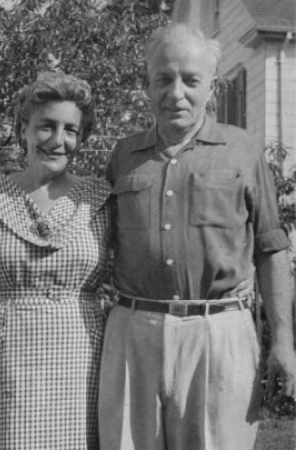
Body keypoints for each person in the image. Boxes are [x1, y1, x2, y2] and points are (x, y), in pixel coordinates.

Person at [98, 24, 296, 450]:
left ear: (213, 87)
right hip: (135, 332)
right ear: (146, 85)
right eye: (164, 78)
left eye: (191, 80)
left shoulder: (244, 150)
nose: (176, 92)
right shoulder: (122, 157)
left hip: (218, 332)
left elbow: (271, 249)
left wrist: (283, 341)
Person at [0, 71, 112, 450]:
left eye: (71, 130)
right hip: (7, 357)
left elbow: (146, 258)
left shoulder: (101, 198)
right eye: (46, 126)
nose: (59, 140)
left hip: (83, 357)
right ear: (23, 129)